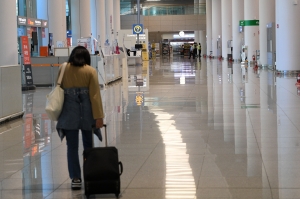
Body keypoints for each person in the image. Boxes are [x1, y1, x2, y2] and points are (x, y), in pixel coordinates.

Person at [56, 46, 104, 190]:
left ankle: (76, 178)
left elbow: (59, 89)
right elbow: (95, 96)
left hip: (69, 113)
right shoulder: (90, 71)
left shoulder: (63, 68)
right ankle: (89, 175)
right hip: (87, 113)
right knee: (88, 146)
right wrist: (99, 117)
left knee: (72, 147)